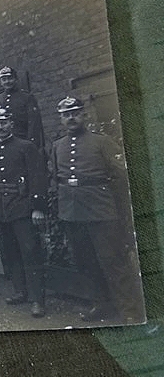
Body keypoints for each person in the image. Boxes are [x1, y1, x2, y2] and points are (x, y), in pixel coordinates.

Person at [48, 96, 141, 323]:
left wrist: (120, 212)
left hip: (101, 210)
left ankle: (129, 309)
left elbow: (120, 179)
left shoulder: (102, 142)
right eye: (66, 114)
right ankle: (101, 303)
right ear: (61, 119)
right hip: (72, 212)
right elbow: (54, 179)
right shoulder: (57, 146)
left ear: (84, 115)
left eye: (75, 113)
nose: (71, 118)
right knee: (85, 261)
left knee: (112, 260)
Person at [0, 107, 48, 318]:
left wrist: (37, 207)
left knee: (30, 252)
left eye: (3, 123)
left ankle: (38, 300)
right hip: (1, 210)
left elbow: (38, 177)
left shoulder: (26, 147)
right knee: (10, 253)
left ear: (11, 123)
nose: (0, 127)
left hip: (22, 207)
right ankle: (20, 291)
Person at [0, 67, 44, 148]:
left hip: (23, 139)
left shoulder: (26, 97)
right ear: (0, 82)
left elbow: (34, 123)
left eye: (10, 78)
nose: (7, 82)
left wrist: (32, 143)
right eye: (4, 79)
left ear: (16, 79)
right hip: (5, 142)